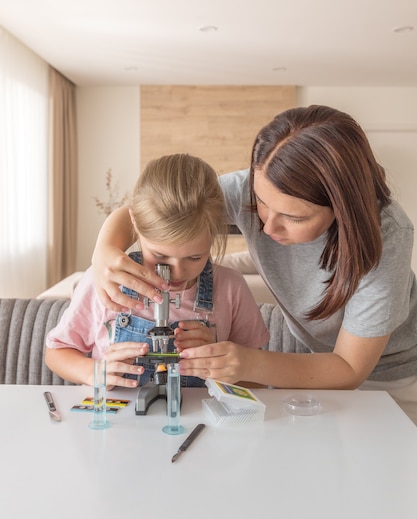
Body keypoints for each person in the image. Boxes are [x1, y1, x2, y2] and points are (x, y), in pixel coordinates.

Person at [90, 105, 417, 423]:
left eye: (293, 217)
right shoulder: (248, 188)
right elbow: (157, 208)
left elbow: (348, 370)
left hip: (390, 380)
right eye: (260, 202)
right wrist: (104, 249)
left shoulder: (387, 236)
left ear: (342, 206)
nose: (267, 228)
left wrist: (246, 364)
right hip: (310, 367)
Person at [45, 153, 269, 389]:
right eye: (160, 257)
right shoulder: (104, 281)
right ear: (135, 225)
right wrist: (93, 372)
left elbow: (257, 380)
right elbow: (57, 351)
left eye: (194, 257)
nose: (177, 272)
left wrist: (218, 362)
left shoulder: (231, 288)